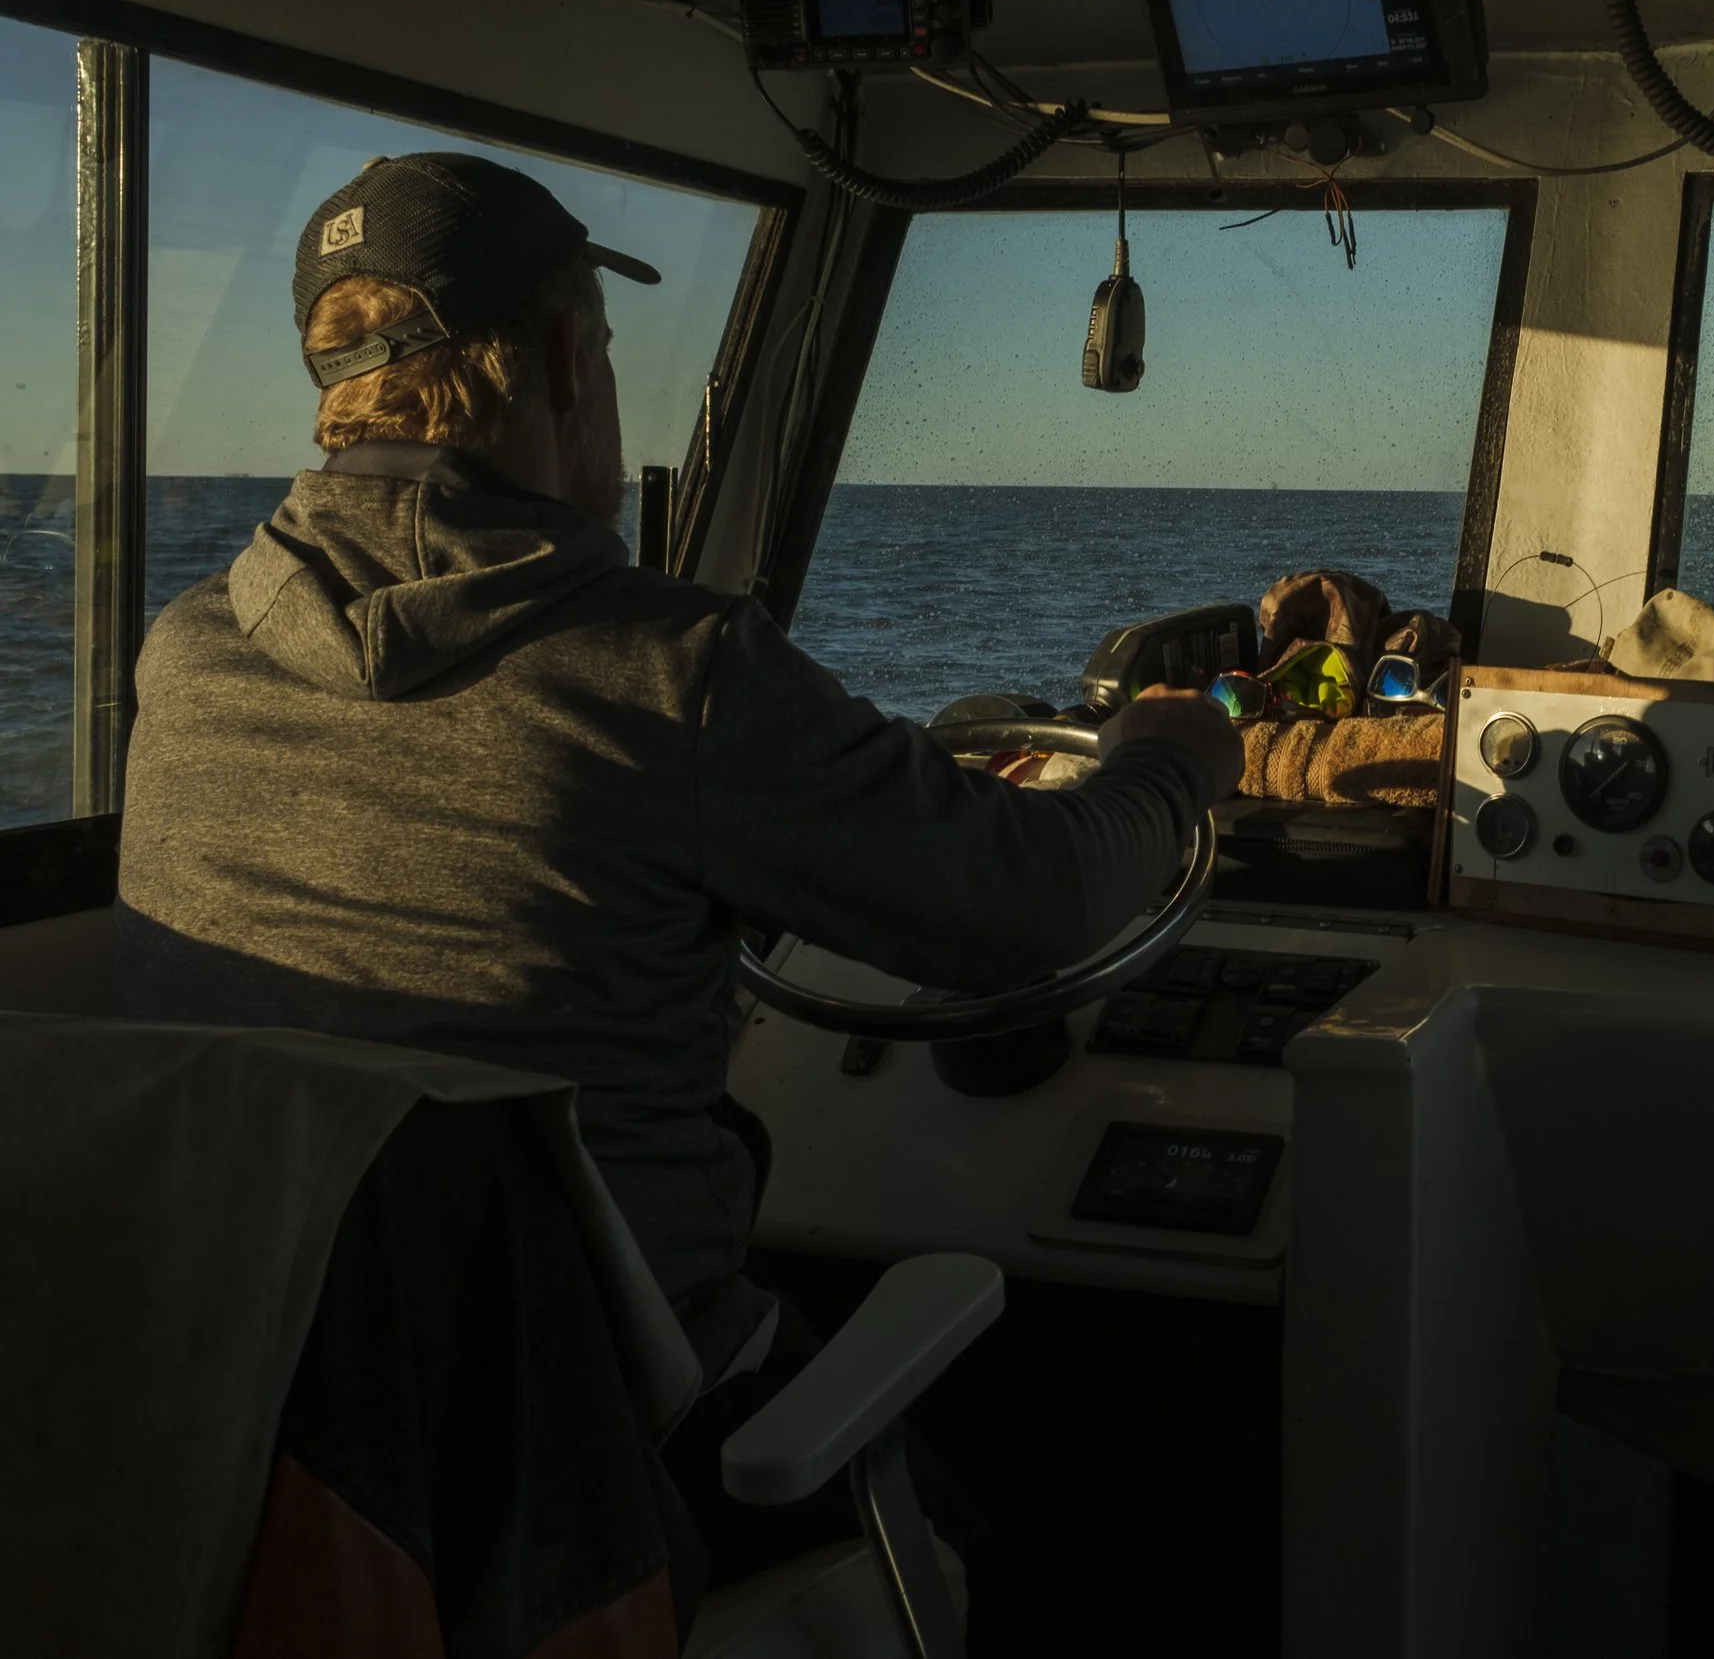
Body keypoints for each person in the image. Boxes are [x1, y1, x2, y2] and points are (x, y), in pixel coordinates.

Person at [114, 152, 1243, 1387]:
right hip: (597, 1432)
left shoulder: (184, 650)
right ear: (558, 358)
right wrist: (1163, 767)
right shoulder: (671, 670)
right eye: (601, 348)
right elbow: (1030, 904)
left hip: (254, 1403)